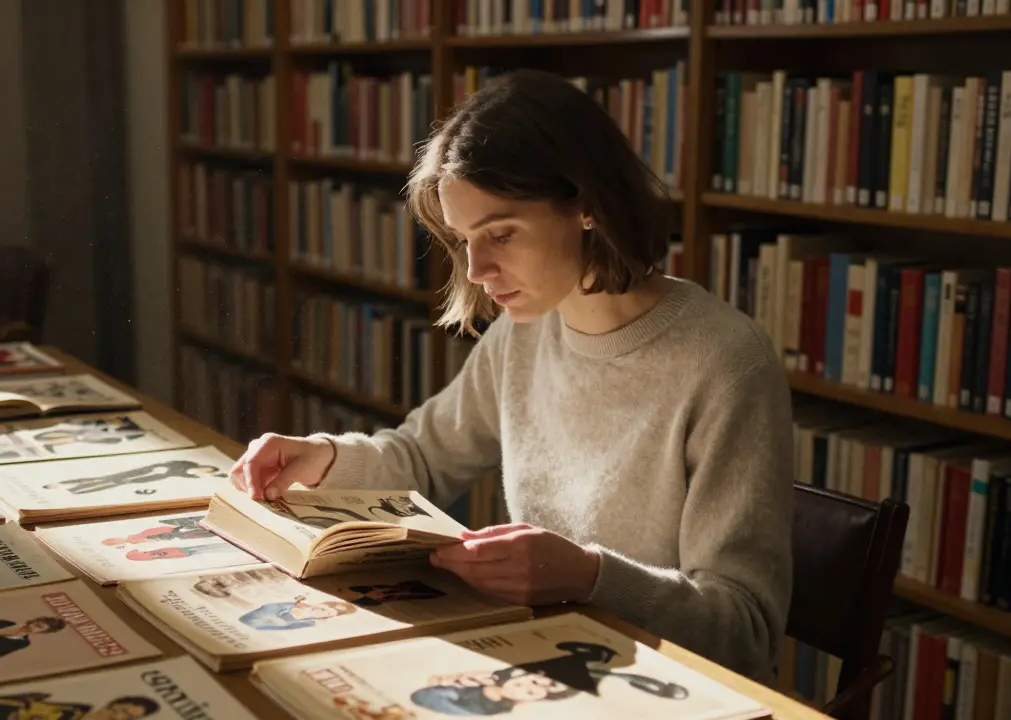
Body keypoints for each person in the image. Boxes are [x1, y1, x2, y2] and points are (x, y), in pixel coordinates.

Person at [228, 68, 793, 685]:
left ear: (586, 206)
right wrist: (326, 458)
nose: (476, 270)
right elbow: (422, 457)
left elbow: (747, 631)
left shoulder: (726, 362)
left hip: (660, 688)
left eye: (501, 233)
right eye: (464, 239)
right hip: (544, 657)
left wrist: (586, 575)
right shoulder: (525, 330)